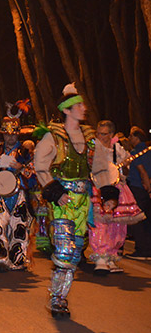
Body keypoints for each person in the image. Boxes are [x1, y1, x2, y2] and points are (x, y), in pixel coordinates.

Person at [34, 84, 116, 318]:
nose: (84, 108)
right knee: (64, 249)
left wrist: (108, 194)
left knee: (75, 253)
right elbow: (40, 166)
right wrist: (55, 192)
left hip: (83, 203)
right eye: (78, 105)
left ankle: (61, 295)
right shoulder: (54, 136)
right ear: (67, 110)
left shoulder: (90, 138)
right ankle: (57, 299)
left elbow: (100, 169)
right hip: (61, 202)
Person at [0, 117, 36, 271]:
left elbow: (33, 178)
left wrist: (21, 168)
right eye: (7, 134)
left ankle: (18, 259)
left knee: (19, 226)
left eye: (13, 134)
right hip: (0, 195)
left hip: (19, 196)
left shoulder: (25, 152)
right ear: (2, 135)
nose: (10, 138)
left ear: (18, 134)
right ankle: (0, 259)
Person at [89, 120, 144, 273]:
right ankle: (100, 258)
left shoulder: (116, 148)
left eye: (104, 134)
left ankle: (112, 257)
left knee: (118, 225)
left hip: (116, 188)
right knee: (100, 225)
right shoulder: (93, 148)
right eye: (98, 133)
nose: (100, 137)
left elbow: (125, 167)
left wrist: (123, 165)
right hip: (99, 188)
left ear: (111, 134)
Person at [125, 127, 151, 260]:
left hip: (138, 188)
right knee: (147, 220)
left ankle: (142, 250)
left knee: (137, 219)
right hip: (146, 191)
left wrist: (147, 186)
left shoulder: (136, 152)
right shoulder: (148, 151)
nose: (129, 139)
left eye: (131, 136)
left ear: (137, 138)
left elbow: (142, 172)